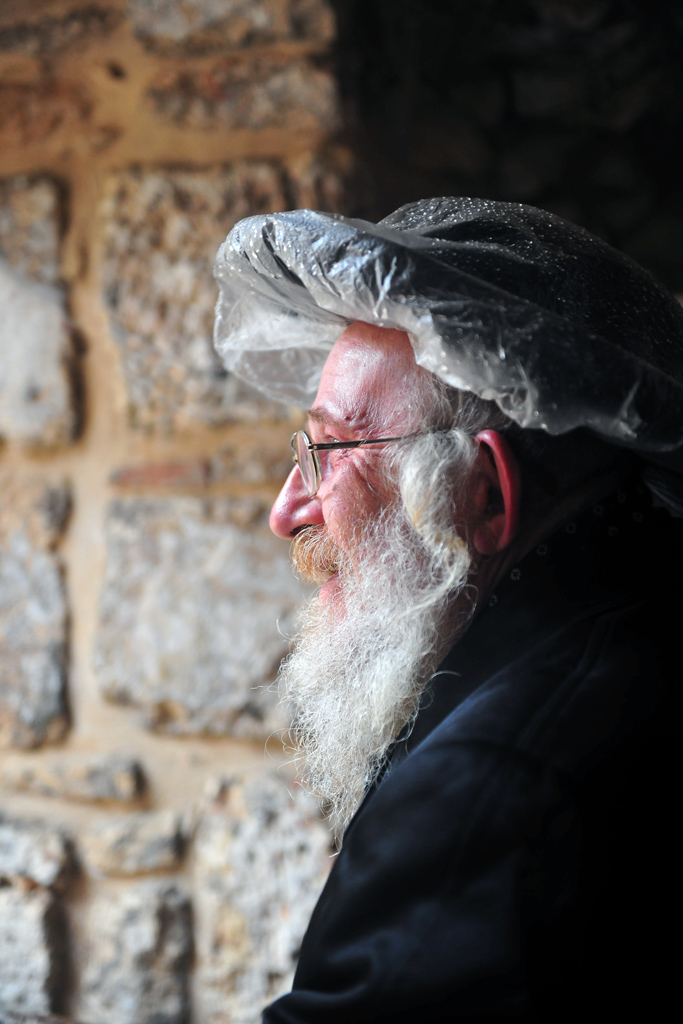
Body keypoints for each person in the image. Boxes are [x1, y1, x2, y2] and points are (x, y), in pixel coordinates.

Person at [213, 198, 683, 1020]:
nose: (287, 510)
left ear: (485, 498)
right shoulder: (633, 622)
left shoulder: (492, 782)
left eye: (328, 453)